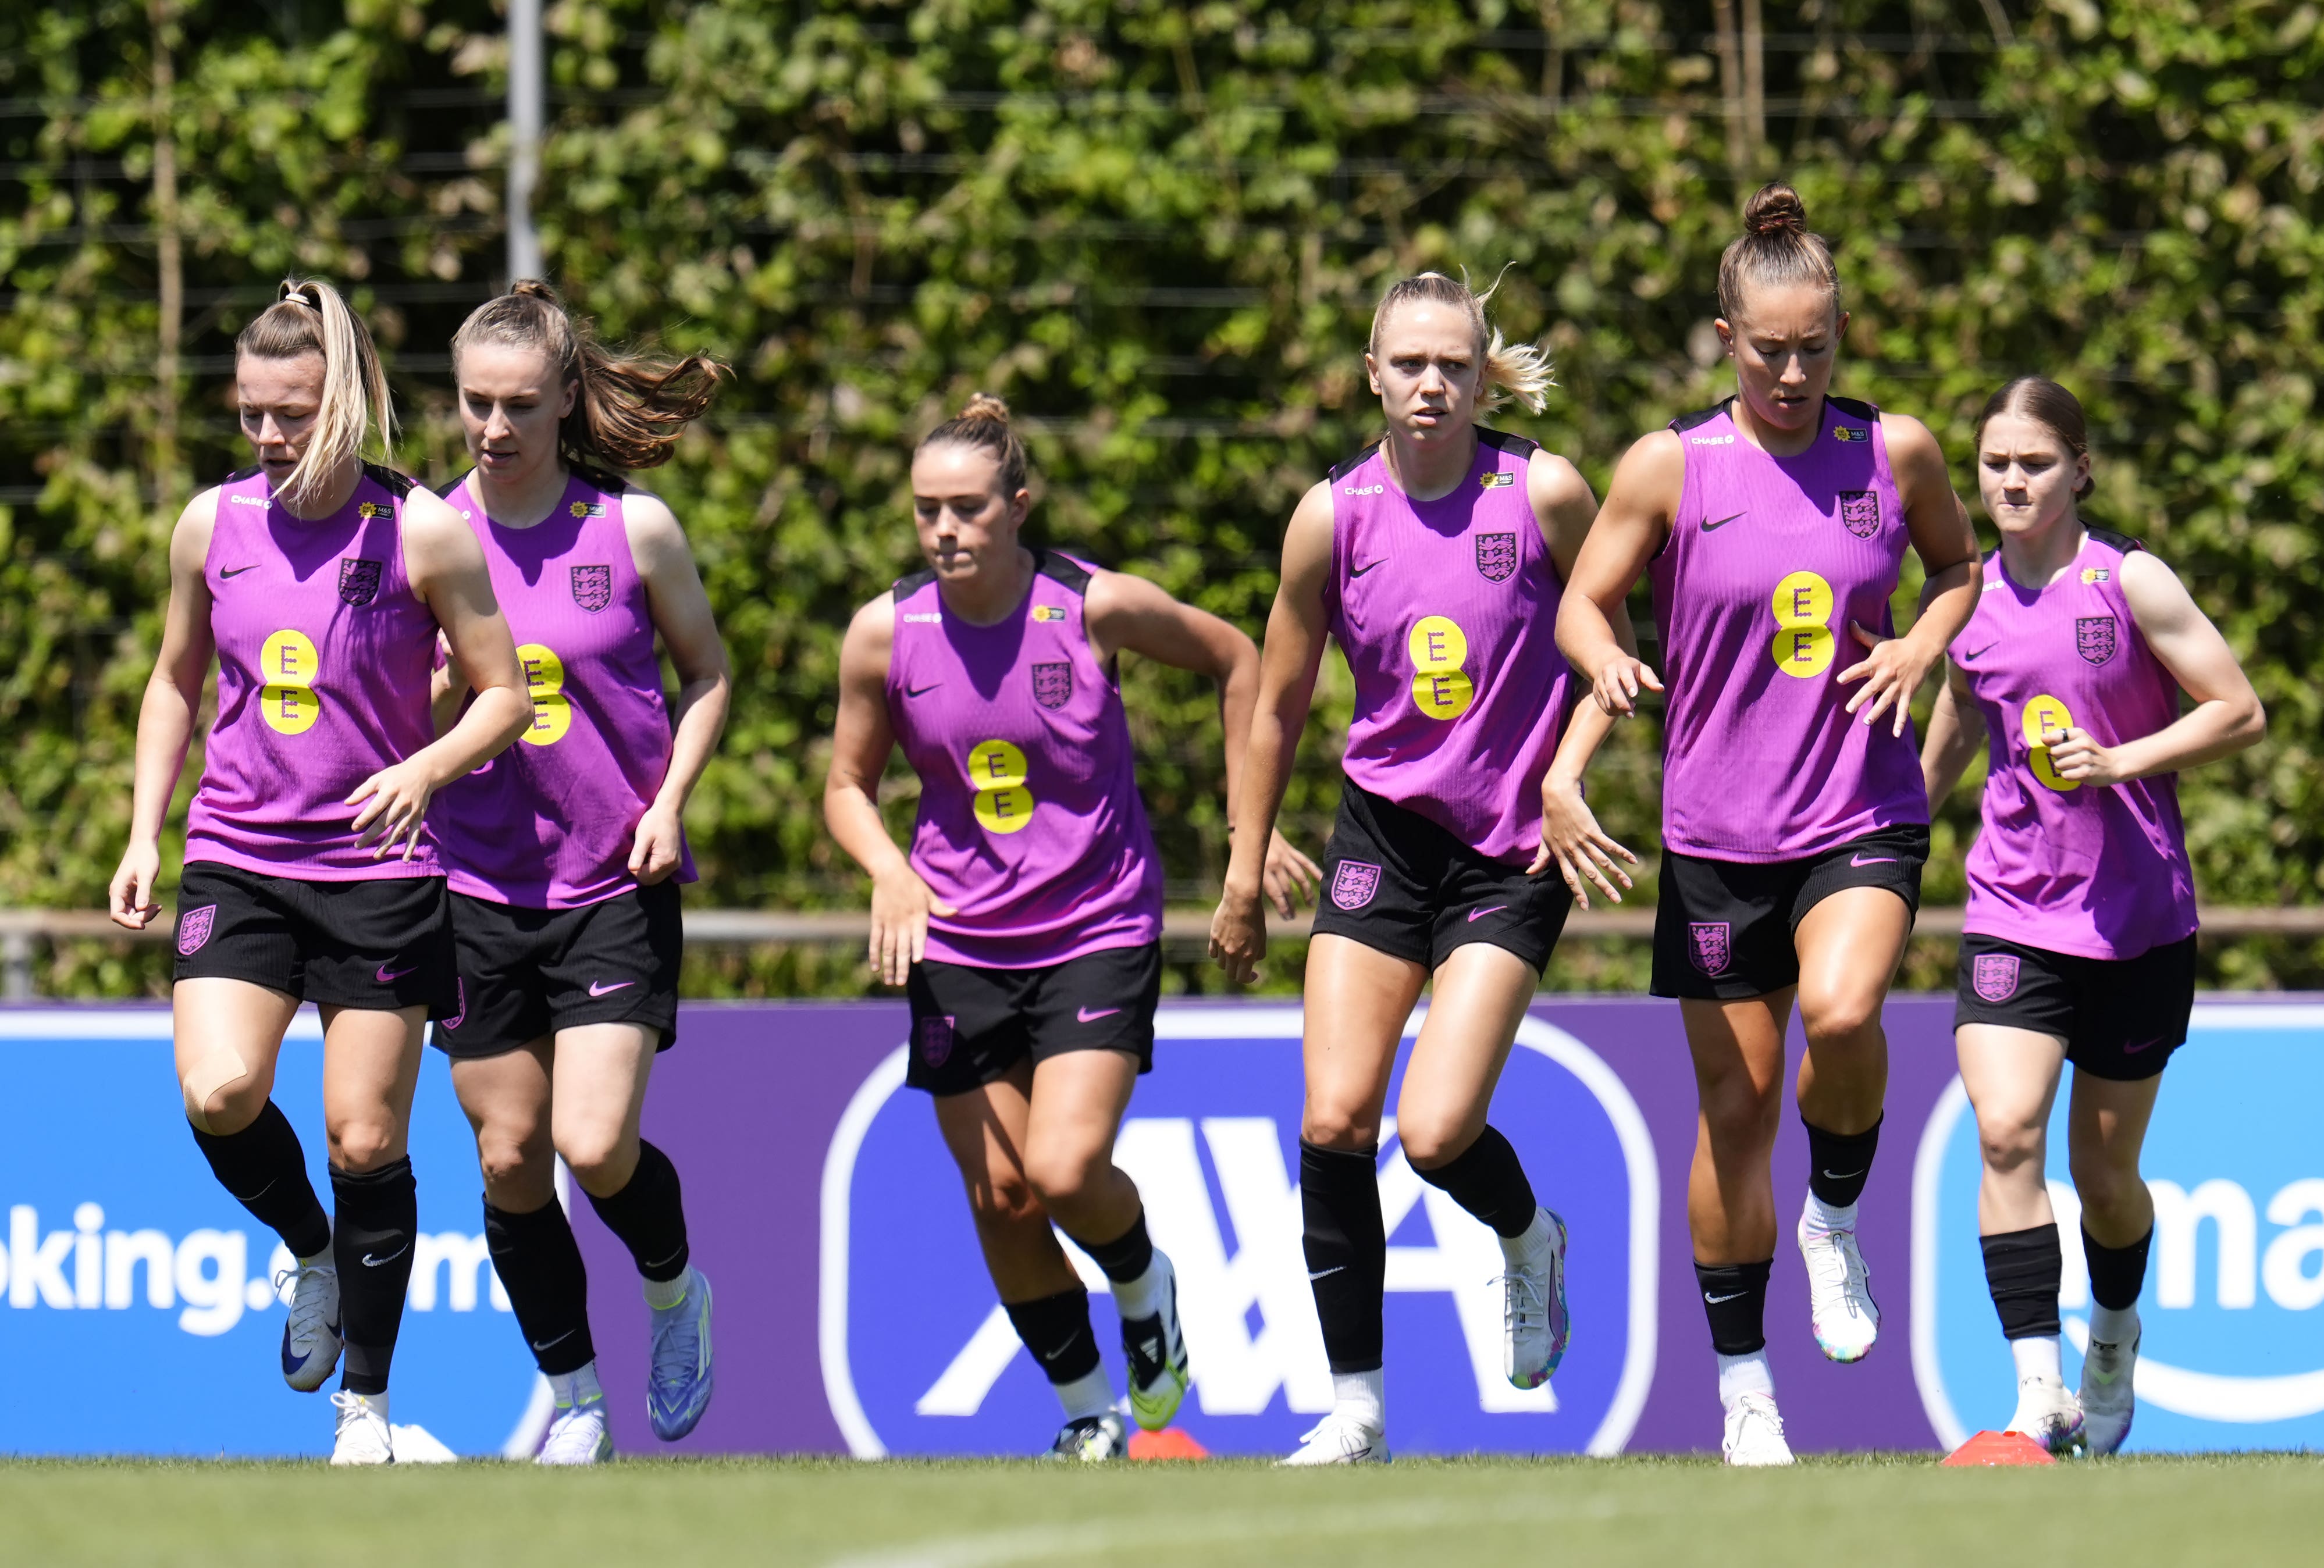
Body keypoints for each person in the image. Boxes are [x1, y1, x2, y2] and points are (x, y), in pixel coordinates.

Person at [1558, 182, 1983, 1465]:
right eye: (1769, 348)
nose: (1794, 372)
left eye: (1817, 347)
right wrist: (1607, 666)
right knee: (1734, 1117)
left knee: (1846, 1011)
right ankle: (1745, 1388)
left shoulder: (1893, 451)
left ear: (1842, 333)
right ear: (1726, 336)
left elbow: (1962, 568)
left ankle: (1837, 1215)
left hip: (1859, 808)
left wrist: (1919, 637)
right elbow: (1586, 603)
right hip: (1716, 838)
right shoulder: (1669, 465)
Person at [824, 393, 1320, 1461]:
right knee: (1000, 1197)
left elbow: (1240, 660)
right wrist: (888, 874)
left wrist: (1250, 835)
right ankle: (1086, 1409)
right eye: (926, 513)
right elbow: (846, 787)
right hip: (956, 941)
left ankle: (1145, 1281)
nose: (946, 531)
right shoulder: (885, 631)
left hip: (1096, 926)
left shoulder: (1090, 607)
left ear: (1019, 505)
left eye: (967, 509)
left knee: (1058, 1169)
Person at [1211, 271, 1635, 1466]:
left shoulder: (1542, 490)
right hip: (1383, 838)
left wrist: (1569, 774)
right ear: (1373, 372)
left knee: (1439, 1131)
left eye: (1454, 362)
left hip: (1511, 847)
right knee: (1337, 1118)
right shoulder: (1331, 516)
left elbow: (1614, 646)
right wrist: (1246, 865)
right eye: (1410, 364)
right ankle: (1356, 1410)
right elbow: (1280, 699)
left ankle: (1529, 1234)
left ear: (1482, 368)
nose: (1433, 383)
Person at [108, 279, 532, 1464]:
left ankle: (368, 1410)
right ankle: (310, 1248)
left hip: (376, 873)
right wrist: (147, 831)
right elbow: (174, 684)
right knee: (220, 1093)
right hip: (238, 859)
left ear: (340, 400)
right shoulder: (212, 524)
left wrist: (428, 770)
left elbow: (507, 693)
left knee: (365, 1140)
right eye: (251, 413)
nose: (268, 436)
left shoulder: (420, 529)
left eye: (290, 412)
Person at [1921, 376, 2262, 1455]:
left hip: (2137, 920)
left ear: (2079, 470)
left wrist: (2123, 761)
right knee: (2008, 1130)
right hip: (2013, 907)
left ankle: (2113, 1340)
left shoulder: (2132, 581)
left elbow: (2238, 708)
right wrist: (1882, 840)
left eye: (2034, 463)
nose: (2011, 482)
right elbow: (1958, 729)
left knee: (2106, 1177)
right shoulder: (1964, 599)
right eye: (1994, 464)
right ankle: (2037, 1395)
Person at [426, 282, 731, 1463]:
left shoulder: (632, 529)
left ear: (565, 399)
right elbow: (393, 712)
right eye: (475, 405)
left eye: (519, 405)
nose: (495, 429)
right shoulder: (425, 535)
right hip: (473, 885)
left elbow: (706, 676)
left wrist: (669, 802)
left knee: (594, 1144)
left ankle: (673, 1295)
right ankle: (578, 1398)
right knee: (508, 1155)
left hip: (611, 880)